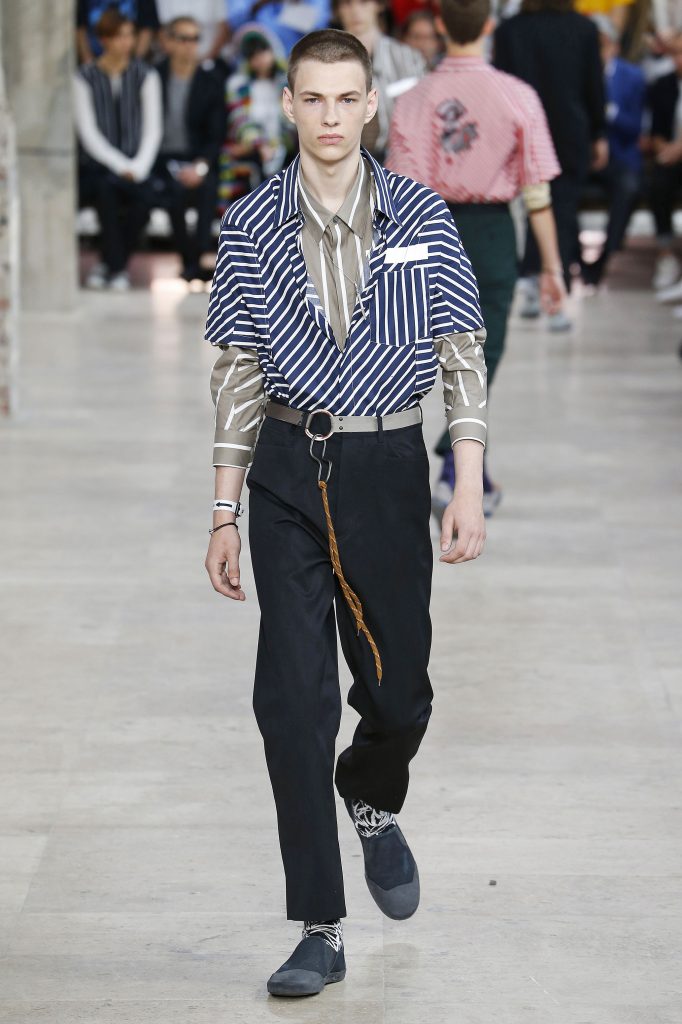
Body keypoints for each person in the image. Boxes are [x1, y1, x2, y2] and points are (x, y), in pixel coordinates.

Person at [204, 27, 488, 997]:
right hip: (288, 467)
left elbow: (460, 350)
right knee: (291, 701)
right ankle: (318, 926)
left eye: (345, 98)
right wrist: (223, 509)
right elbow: (238, 373)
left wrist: (466, 479)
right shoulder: (249, 225)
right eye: (312, 98)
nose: (329, 117)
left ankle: (368, 789)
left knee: (398, 692)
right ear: (288, 105)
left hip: (388, 465)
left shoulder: (422, 213)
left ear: (372, 105)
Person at [386, 0, 564, 521]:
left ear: (440, 24)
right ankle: (458, 465)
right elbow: (537, 194)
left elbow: (398, 191)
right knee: (483, 353)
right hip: (490, 232)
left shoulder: (413, 99)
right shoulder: (518, 95)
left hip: (424, 228)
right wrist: (551, 267)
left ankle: (442, 464)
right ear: (489, 25)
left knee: (418, 355)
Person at [494, 0, 607, 329]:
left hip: (521, 130)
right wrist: (599, 133)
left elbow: (501, 87)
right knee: (563, 210)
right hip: (570, 131)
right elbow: (593, 86)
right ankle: (557, 297)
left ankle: (529, 279)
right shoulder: (584, 29)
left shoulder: (509, 30)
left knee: (527, 207)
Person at [74, 9, 163, 290]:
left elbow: (153, 129)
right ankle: (117, 268)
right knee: (106, 192)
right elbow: (88, 134)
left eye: (130, 35)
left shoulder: (145, 75)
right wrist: (120, 166)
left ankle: (110, 264)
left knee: (144, 201)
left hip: (140, 166)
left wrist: (138, 168)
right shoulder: (84, 77)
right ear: (104, 40)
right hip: (97, 168)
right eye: (119, 36)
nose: (127, 42)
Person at [153, 16, 225, 282]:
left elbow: (217, 134)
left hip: (197, 157)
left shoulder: (210, 80)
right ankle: (190, 262)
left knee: (208, 185)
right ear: (168, 41)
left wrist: (201, 166)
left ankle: (197, 260)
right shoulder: (154, 76)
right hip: (160, 159)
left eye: (195, 38)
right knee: (174, 193)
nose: (189, 45)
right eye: (183, 38)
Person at [582, 14, 645, 286]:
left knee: (628, 187)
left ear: (614, 46)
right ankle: (575, 259)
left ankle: (606, 255)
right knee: (562, 189)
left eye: (602, 44)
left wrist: (609, 112)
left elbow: (636, 127)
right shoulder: (578, 74)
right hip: (585, 157)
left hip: (620, 155)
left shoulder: (633, 76)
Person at [334, 0, 425, 159]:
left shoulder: (409, 59)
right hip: (340, 161)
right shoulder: (324, 64)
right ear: (338, 9)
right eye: (347, 3)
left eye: (364, 2)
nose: (355, 10)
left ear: (379, 5)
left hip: (400, 160)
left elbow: (423, 116)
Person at [218, 30, 295, 212]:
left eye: (263, 51)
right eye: (252, 55)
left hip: (285, 146)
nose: (259, 59)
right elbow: (239, 119)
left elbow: (292, 121)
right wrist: (259, 144)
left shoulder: (288, 83)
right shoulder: (238, 85)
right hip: (251, 148)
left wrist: (277, 144)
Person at [645, 31, 682, 294]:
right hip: (670, 156)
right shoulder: (664, 85)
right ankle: (665, 251)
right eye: (676, 53)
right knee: (658, 181)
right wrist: (666, 149)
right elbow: (656, 131)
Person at [76, 0, 160, 63]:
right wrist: (89, 62)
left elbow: (146, 28)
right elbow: (80, 27)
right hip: (94, 57)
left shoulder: (146, 75)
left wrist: (136, 63)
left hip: (131, 60)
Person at [156, 0, 230, 61]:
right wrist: (176, 60)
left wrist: (206, 59)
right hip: (172, 59)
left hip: (209, 58)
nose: (188, 44)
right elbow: (162, 31)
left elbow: (223, 30)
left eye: (195, 38)